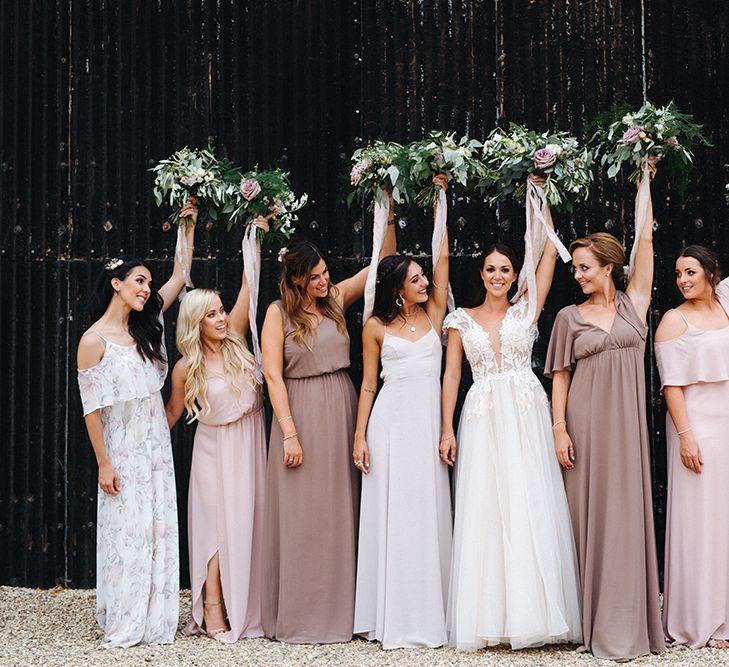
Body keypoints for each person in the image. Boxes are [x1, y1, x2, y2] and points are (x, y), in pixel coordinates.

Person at [441, 197, 581, 650]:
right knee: (488, 508)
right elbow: (452, 376)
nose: (498, 276)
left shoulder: (526, 311)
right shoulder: (461, 320)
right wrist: (446, 429)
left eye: (505, 269)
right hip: (482, 417)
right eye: (490, 269)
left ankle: (537, 613)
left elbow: (546, 258)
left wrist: (542, 198)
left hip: (525, 412)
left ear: (512, 274)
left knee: (529, 501)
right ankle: (492, 617)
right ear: (480, 274)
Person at [260, 210, 396, 643]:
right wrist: (289, 432)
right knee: (302, 514)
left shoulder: (336, 299)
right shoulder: (277, 314)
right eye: (315, 276)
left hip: (341, 404)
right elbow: (273, 375)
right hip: (298, 410)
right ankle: (300, 613)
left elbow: (383, 263)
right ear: (298, 279)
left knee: (340, 510)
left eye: (325, 273)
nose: (324, 281)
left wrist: (385, 207)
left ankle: (341, 612)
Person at [544, 175, 664, 659]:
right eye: (575, 268)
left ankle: (625, 624)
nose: (578, 275)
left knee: (625, 519)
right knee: (584, 519)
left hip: (628, 432)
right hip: (585, 429)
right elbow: (560, 379)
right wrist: (559, 431)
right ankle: (583, 624)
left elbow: (647, 239)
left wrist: (644, 178)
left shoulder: (636, 304)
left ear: (611, 268)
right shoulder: (568, 318)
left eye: (586, 268)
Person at [76, 202, 196, 648]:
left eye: (148, 282)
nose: (147, 289)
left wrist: (190, 221)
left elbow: (181, 275)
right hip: (122, 450)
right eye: (139, 281)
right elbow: (91, 410)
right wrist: (104, 464)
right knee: (128, 532)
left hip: (155, 448)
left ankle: (155, 616)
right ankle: (126, 615)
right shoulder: (93, 341)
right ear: (116, 284)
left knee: (157, 527)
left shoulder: (146, 332)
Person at [352, 175, 451, 649]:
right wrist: (358, 436)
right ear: (396, 288)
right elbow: (368, 384)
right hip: (389, 425)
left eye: (422, 277)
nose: (424, 281)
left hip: (427, 424)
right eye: (415, 279)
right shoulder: (375, 327)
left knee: (426, 510)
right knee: (393, 513)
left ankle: (430, 611)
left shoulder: (434, 315)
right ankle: (390, 613)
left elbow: (444, 260)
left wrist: (440, 200)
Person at [165, 217, 268, 642]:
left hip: (248, 442)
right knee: (214, 525)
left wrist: (255, 236)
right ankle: (212, 607)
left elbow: (251, 284)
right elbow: (169, 415)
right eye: (211, 314)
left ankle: (248, 601)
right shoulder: (185, 368)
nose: (222, 318)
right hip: (212, 448)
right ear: (195, 323)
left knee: (247, 521)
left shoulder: (238, 342)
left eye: (221, 310)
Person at [654, 245, 729, 649]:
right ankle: (698, 621)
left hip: (728, 419)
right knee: (699, 521)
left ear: (711, 273)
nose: (683, 280)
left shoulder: (725, 304)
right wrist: (685, 436)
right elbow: (672, 386)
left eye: (690, 272)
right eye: (679, 273)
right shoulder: (673, 321)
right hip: (697, 426)